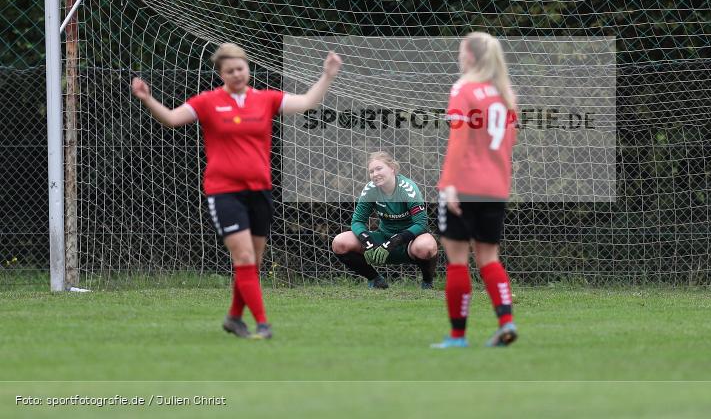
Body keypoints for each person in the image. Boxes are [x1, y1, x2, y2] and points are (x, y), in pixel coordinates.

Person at [131, 43, 342, 339]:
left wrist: (328, 75)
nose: (237, 74)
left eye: (240, 68)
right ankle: (263, 324)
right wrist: (147, 98)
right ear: (221, 74)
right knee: (243, 258)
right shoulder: (208, 101)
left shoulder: (265, 99)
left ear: (247, 69)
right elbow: (172, 119)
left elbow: (307, 102)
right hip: (224, 192)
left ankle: (233, 318)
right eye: (230, 71)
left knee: (251, 263)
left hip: (260, 191)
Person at [432, 31, 518, 349]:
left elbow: (459, 140)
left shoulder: (463, 88)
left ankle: (457, 337)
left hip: (464, 184)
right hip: (495, 188)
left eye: (460, 50)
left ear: (470, 56)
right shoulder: (505, 93)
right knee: (489, 257)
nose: (458, 56)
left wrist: (450, 184)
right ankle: (506, 321)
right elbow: (510, 142)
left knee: (457, 261)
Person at [331, 152, 438, 289]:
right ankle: (376, 280)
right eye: (371, 171)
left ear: (392, 168)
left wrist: (395, 241)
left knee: (427, 246)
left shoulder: (407, 188)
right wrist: (367, 241)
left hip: (410, 242)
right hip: (383, 240)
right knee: (340, 242)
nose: (375, 174)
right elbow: (357, 221)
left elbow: (422, 224)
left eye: (379, 168)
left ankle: (427, 283)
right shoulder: (370, 189)